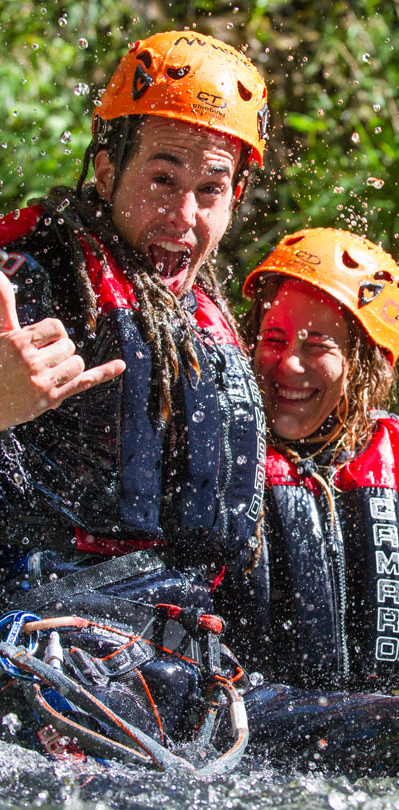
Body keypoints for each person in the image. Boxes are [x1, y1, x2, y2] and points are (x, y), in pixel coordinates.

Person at [0, 31, 267, 766]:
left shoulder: (207, 322)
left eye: (209, 189)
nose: (184, 217)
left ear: (234, 198)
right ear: (106, 168)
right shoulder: (37, 280)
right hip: (37, 653)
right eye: (162, 178)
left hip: (182, 667)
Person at [218, 227, 399, 775]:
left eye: (317, 345)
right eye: (273, 338)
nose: (288, 366)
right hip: (247, 734)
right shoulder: (214, 457)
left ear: (371, 365)